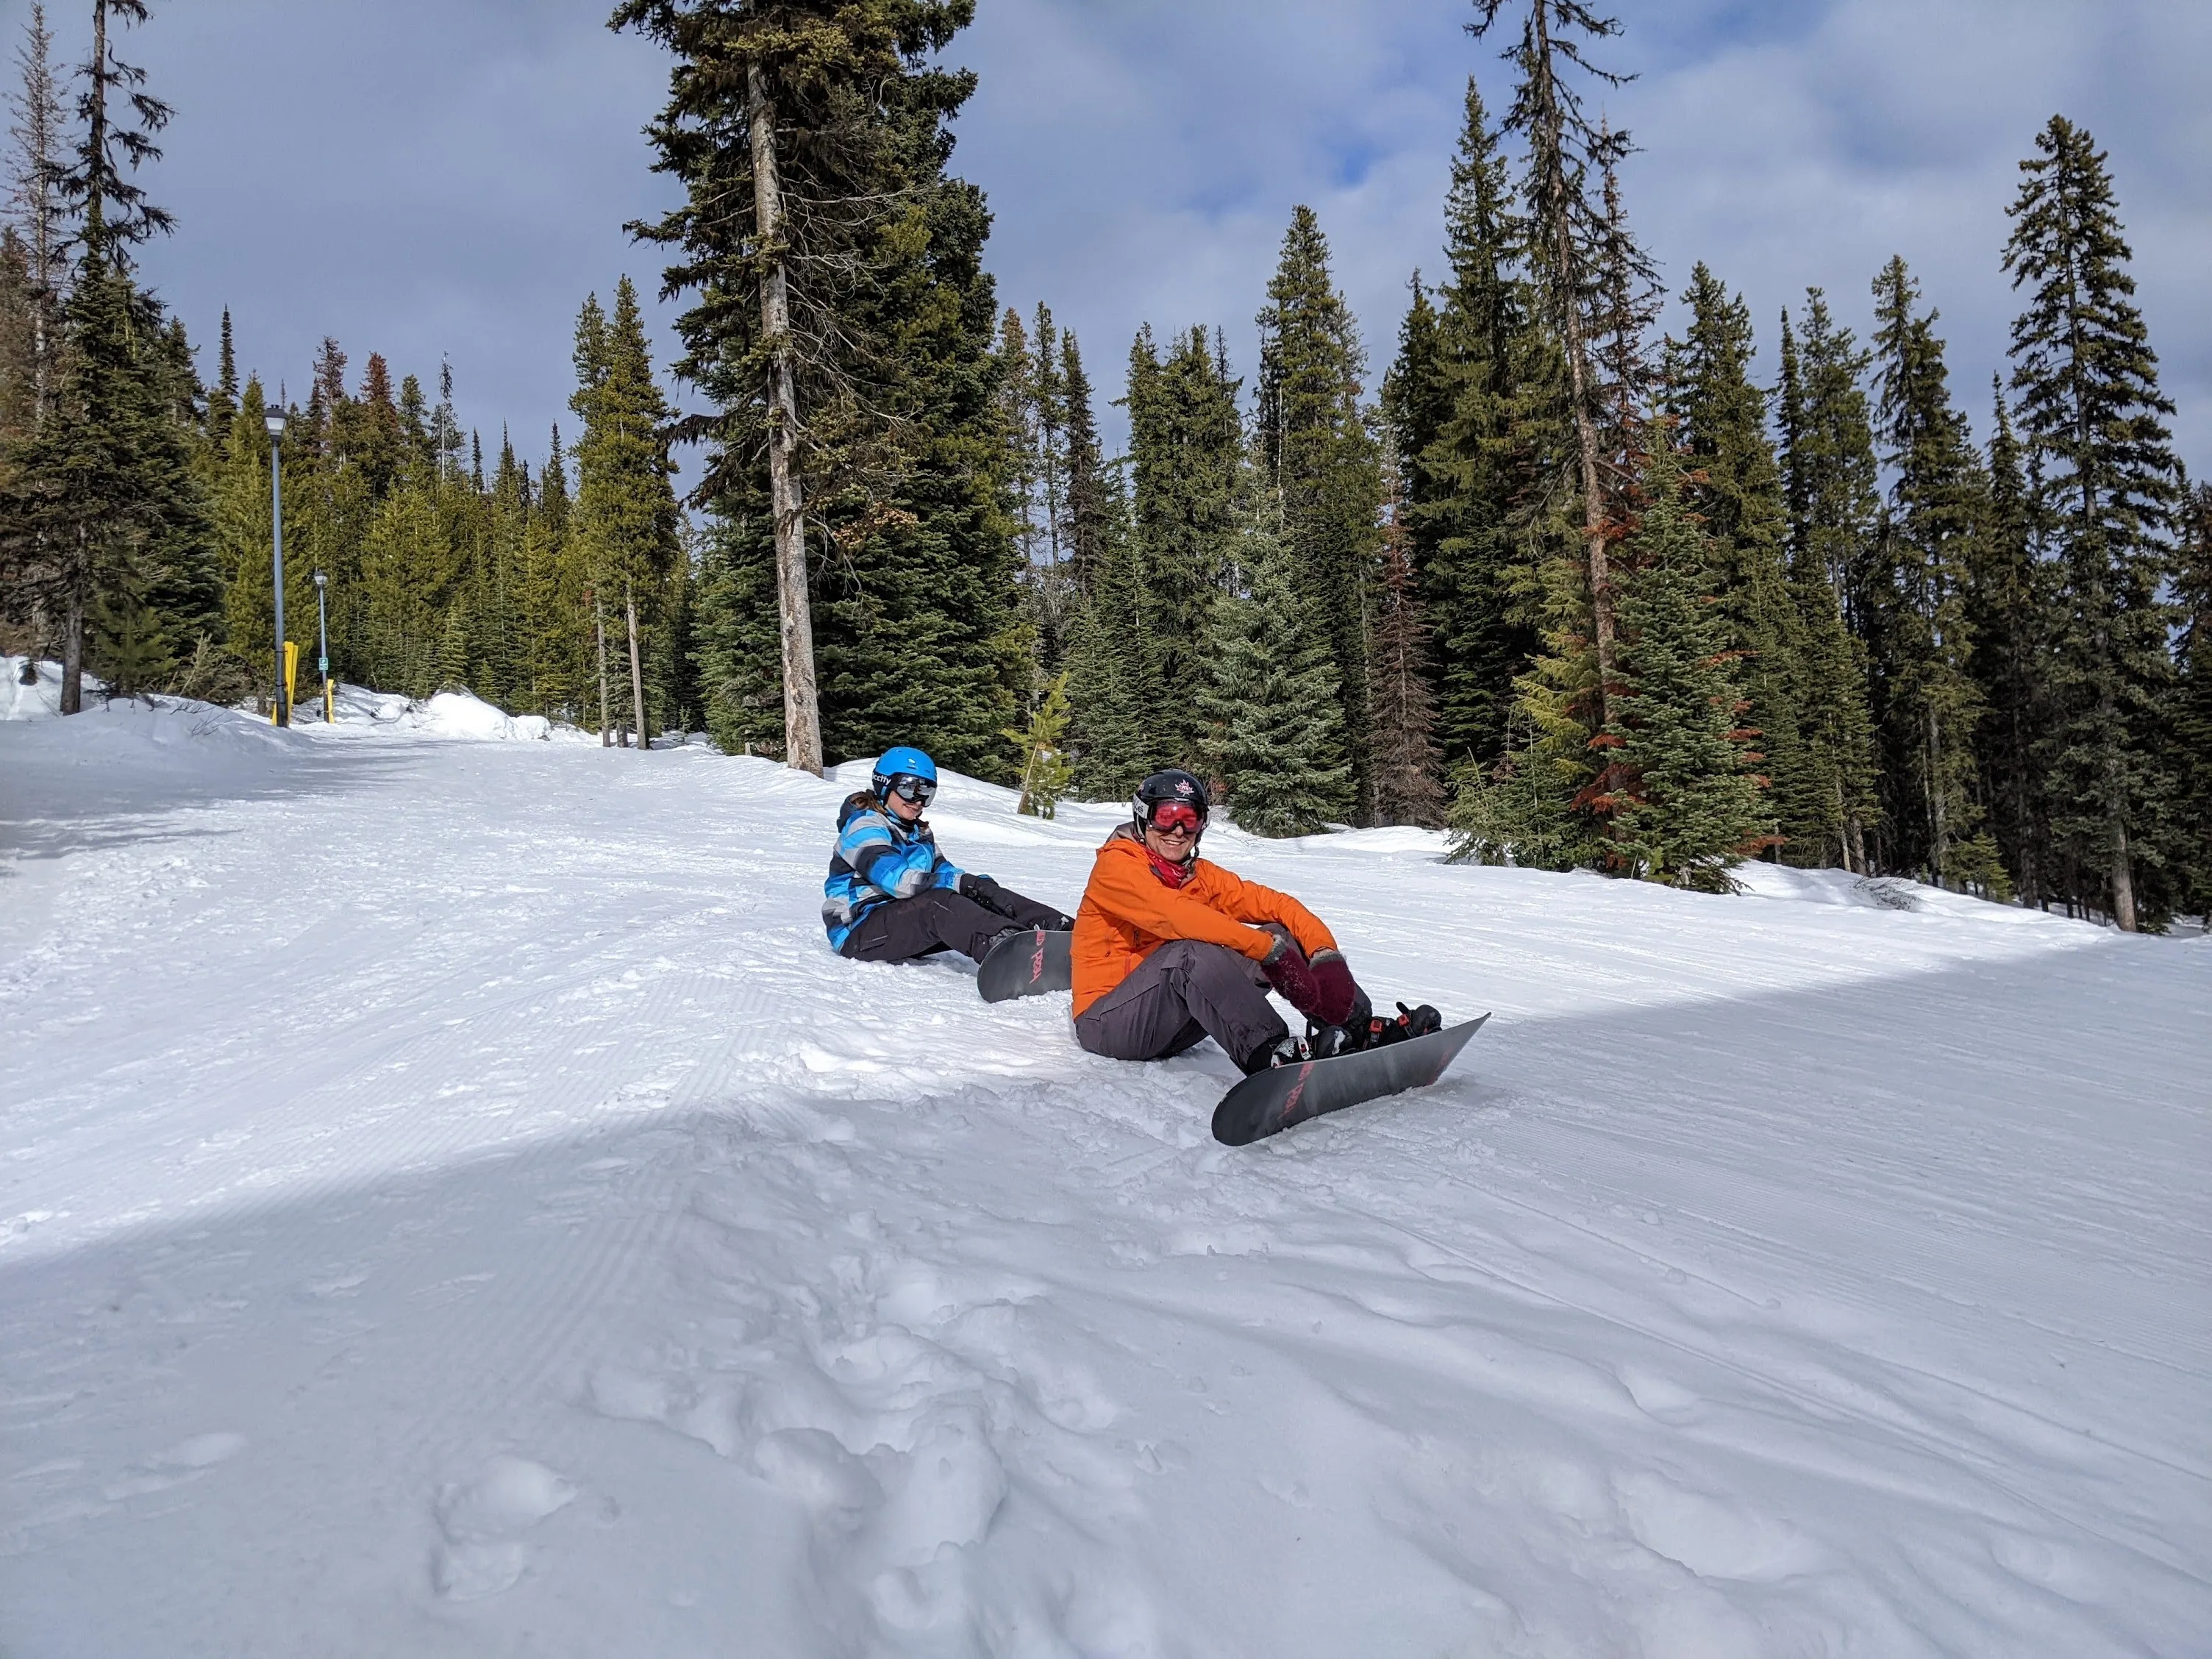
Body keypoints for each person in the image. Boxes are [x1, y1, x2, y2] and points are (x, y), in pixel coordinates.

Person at [1071, 769, 1424, 1075]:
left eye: (1190, 819)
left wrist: (1324, 953)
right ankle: (1270, 1054)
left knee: (1280, 934)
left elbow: (1279, 905)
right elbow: (1174, 916)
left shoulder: (1198, 874)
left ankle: (1356, 1026)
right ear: (1143, 818)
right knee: (1190, 953)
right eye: (1167, 817)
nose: (1178, 830)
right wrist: (1265, 950)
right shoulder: (1116, 867)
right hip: (1108, 1022)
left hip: (1171, 1020)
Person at [824, 746, 1073, 966]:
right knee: (938, 903)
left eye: (927, 792)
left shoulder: (918, 832)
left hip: (901, 921)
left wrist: (978, 887)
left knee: (979, 894)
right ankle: (1015, 954)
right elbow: (897, 881)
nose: (919, 801)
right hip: (859, 932)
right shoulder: (864, 827)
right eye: (910, 789)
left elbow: (944, 872)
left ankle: (1069, 933)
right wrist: (961, 885)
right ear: (885, 784)